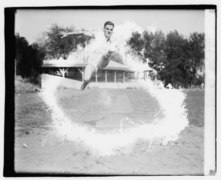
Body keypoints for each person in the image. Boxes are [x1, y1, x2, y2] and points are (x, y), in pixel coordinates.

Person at [61, 21, 124, 90]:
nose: (109, 31)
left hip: (103, 62)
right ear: (103, 29)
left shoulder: (113, 40)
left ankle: (108, 53)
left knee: (106, 55)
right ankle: (83, 87)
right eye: (107, 29)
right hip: (92, 62)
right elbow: (82, 33)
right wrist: (68, 34)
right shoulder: (97, 34)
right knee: (86, 79)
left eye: (111, 30)